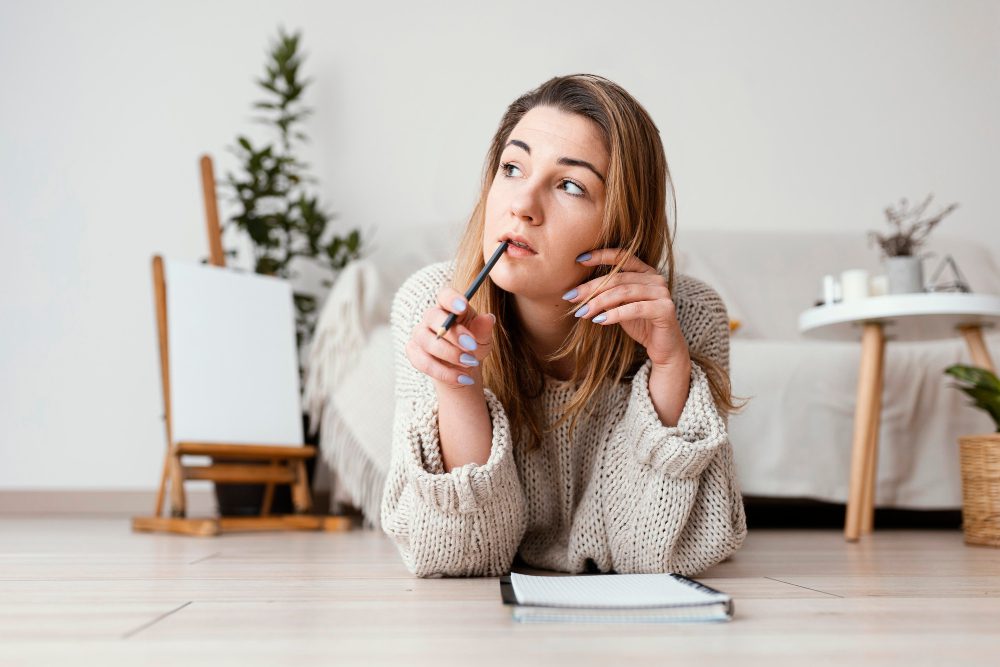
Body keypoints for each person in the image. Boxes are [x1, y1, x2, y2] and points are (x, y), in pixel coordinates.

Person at [380, 74, 747, 577]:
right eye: (512, 168)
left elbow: (657, 554)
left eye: (570, 185)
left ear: (623, 223)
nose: (521, 205)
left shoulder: (687, 315)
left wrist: (668, 366)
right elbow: (460, 558)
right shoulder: (430, 302)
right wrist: (459, 386)